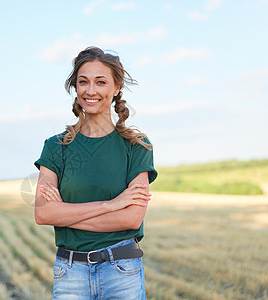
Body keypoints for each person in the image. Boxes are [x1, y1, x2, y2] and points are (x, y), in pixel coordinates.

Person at [34, 46, 158, 299]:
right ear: (75, 88)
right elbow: (43, 213)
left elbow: (132, 219)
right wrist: (112, 205)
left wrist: (65, 214)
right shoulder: (56, 147)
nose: (90, 91)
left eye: (100, 82)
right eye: (83, 82)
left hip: (122, 271)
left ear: (116, 88)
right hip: (70, 273)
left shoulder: (137, 145)